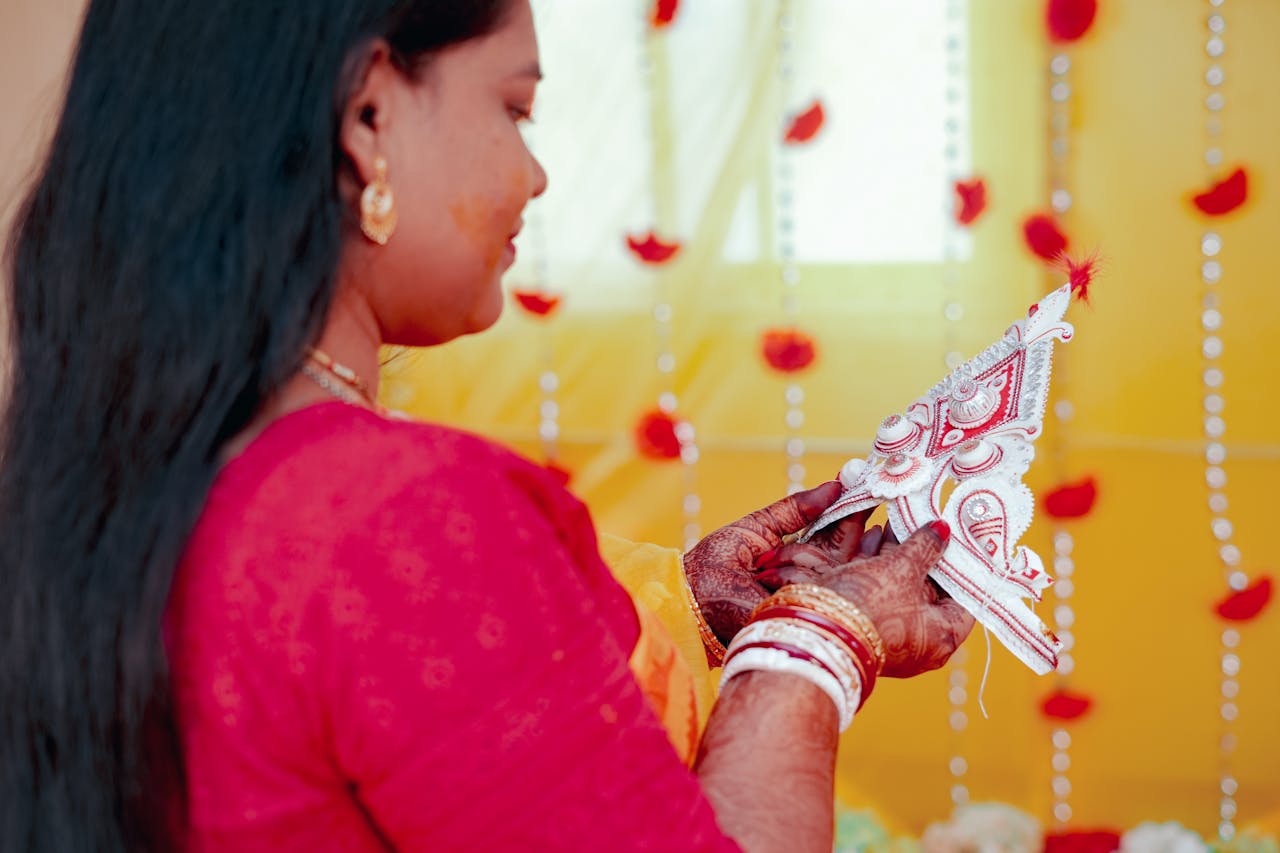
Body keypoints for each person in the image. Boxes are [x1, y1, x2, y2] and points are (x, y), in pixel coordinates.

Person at [0, 1, 976, 851]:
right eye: (514, 108)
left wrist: (684, 606)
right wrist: (819, 641)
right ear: (369, 115)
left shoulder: (111, 474)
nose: (535, 174)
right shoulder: (392, 514)